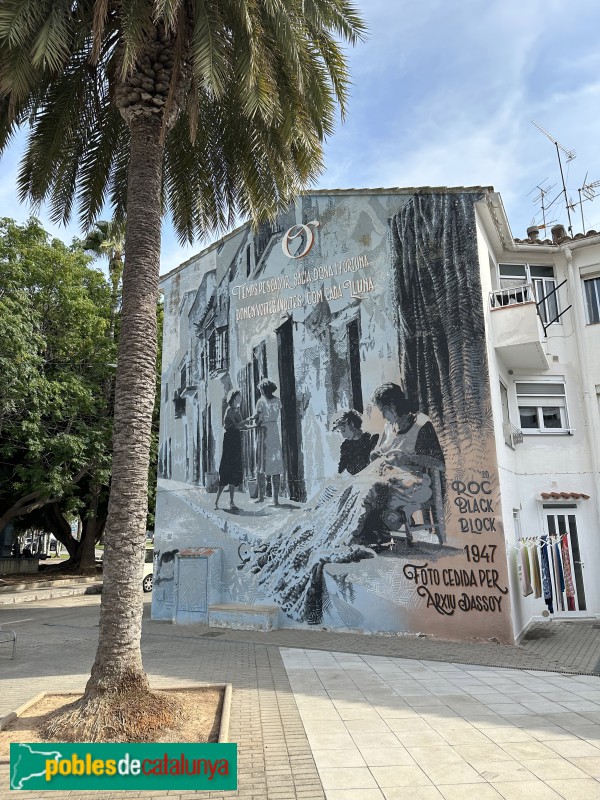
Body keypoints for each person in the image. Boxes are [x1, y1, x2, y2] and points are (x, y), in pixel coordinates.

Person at [243, 382, 445, 625]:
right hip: (386, 474)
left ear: (393, 405)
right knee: (343, 489)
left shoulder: (421, 424)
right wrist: (376, 455)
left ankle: (346, 532)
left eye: (384, 409)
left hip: (413, 481)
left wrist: (407, 456)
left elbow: (439, 463)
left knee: (369, 489)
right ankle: (329, 531)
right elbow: (379, 451)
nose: (383, 414)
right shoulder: (389, 426)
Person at [215, 390, 253, 510]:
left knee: (234, 471)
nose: (241, 397)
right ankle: (216, 502)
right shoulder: (229, 410)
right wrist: (250, 418)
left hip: (236, 440)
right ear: (234, 398)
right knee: (226, 468)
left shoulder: (237, 410)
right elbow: (237, 425)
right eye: (238, 396)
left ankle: (231, 502)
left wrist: (255, 426)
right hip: (230, 440)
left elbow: (243, 427)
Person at [254, 379, 284, 506]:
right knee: (275, 465)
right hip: (274, 432)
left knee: (261, 464)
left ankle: (261, 496)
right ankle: (275, 498)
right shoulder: (278, 401)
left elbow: (258, 420)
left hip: (264, 432)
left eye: (261, 389)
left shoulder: (260, 402)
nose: (260, 391)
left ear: (264, 389)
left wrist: (257, 421)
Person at [332, 409, 379, 475]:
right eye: (340, 432)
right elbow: (342, 464)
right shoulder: (345, 446)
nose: (343, 435)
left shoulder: (371, 439)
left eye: (344, 430)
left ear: (352, 423)